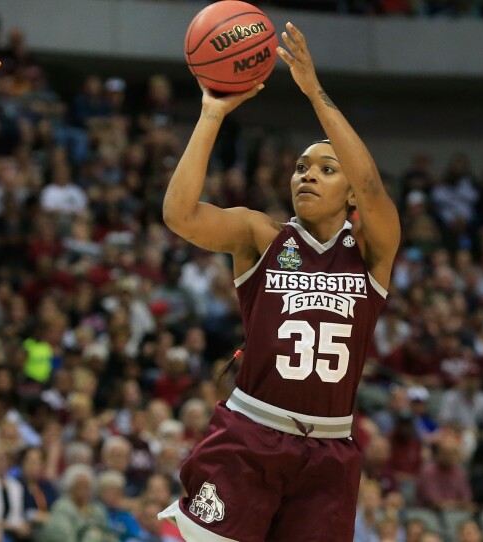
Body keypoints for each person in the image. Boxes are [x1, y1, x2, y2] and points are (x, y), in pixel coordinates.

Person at [158, 22, 400, 542]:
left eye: (326, 169)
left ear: (351, 195)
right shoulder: (260, 234)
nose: (307, 174)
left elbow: (374, 184)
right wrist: (211, 114)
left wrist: (314, 92)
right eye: (300, 166)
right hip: (251, 435)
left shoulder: (371, 252)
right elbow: (178, 214)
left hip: (330, 450)